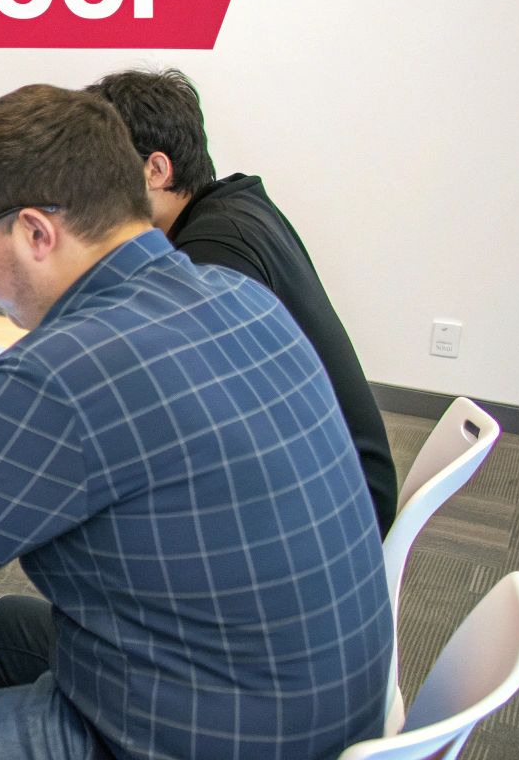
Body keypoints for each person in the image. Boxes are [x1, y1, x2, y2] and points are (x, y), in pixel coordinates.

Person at [0, 85, 390, 760]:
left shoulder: (62, 369)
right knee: (15, 629)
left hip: (196, 739)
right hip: (324, 714)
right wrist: (1, 447)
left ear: (38, 233)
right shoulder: (239, 292)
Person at [86, 67, 397, 533]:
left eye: (96, 170)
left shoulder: (213, 254)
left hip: (336, 509)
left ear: (155, 170)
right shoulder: (234, 207)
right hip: (343, 476)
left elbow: (175, 409)